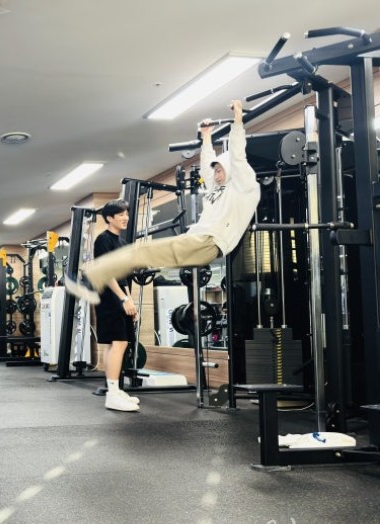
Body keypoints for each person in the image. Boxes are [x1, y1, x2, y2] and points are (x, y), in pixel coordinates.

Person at [65, 99, 260, 305]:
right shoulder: (216, 187)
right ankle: (91, 280)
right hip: (200, 240)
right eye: (216, 171)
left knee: (141, 251)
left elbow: (238, 155)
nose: (216, 174)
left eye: (220, 170)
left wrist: (238, 118)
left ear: (231, 170)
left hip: (210, 242)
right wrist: (206, 136)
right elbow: (205, 165)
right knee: (140, 254)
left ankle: (90, 281)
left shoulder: (243, 187)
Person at [93, 200, 141, 412]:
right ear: (109, 218)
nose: (125, 217)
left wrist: (130, 300)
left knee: (114, 345)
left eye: (126, 214)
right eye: (120, 214)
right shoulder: (103, 240)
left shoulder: (121, 242)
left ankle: (114, 389)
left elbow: (123, 278)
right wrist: (123, 299)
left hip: (120, 297)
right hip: (109, 298)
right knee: (119, 343)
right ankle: (112, 393)